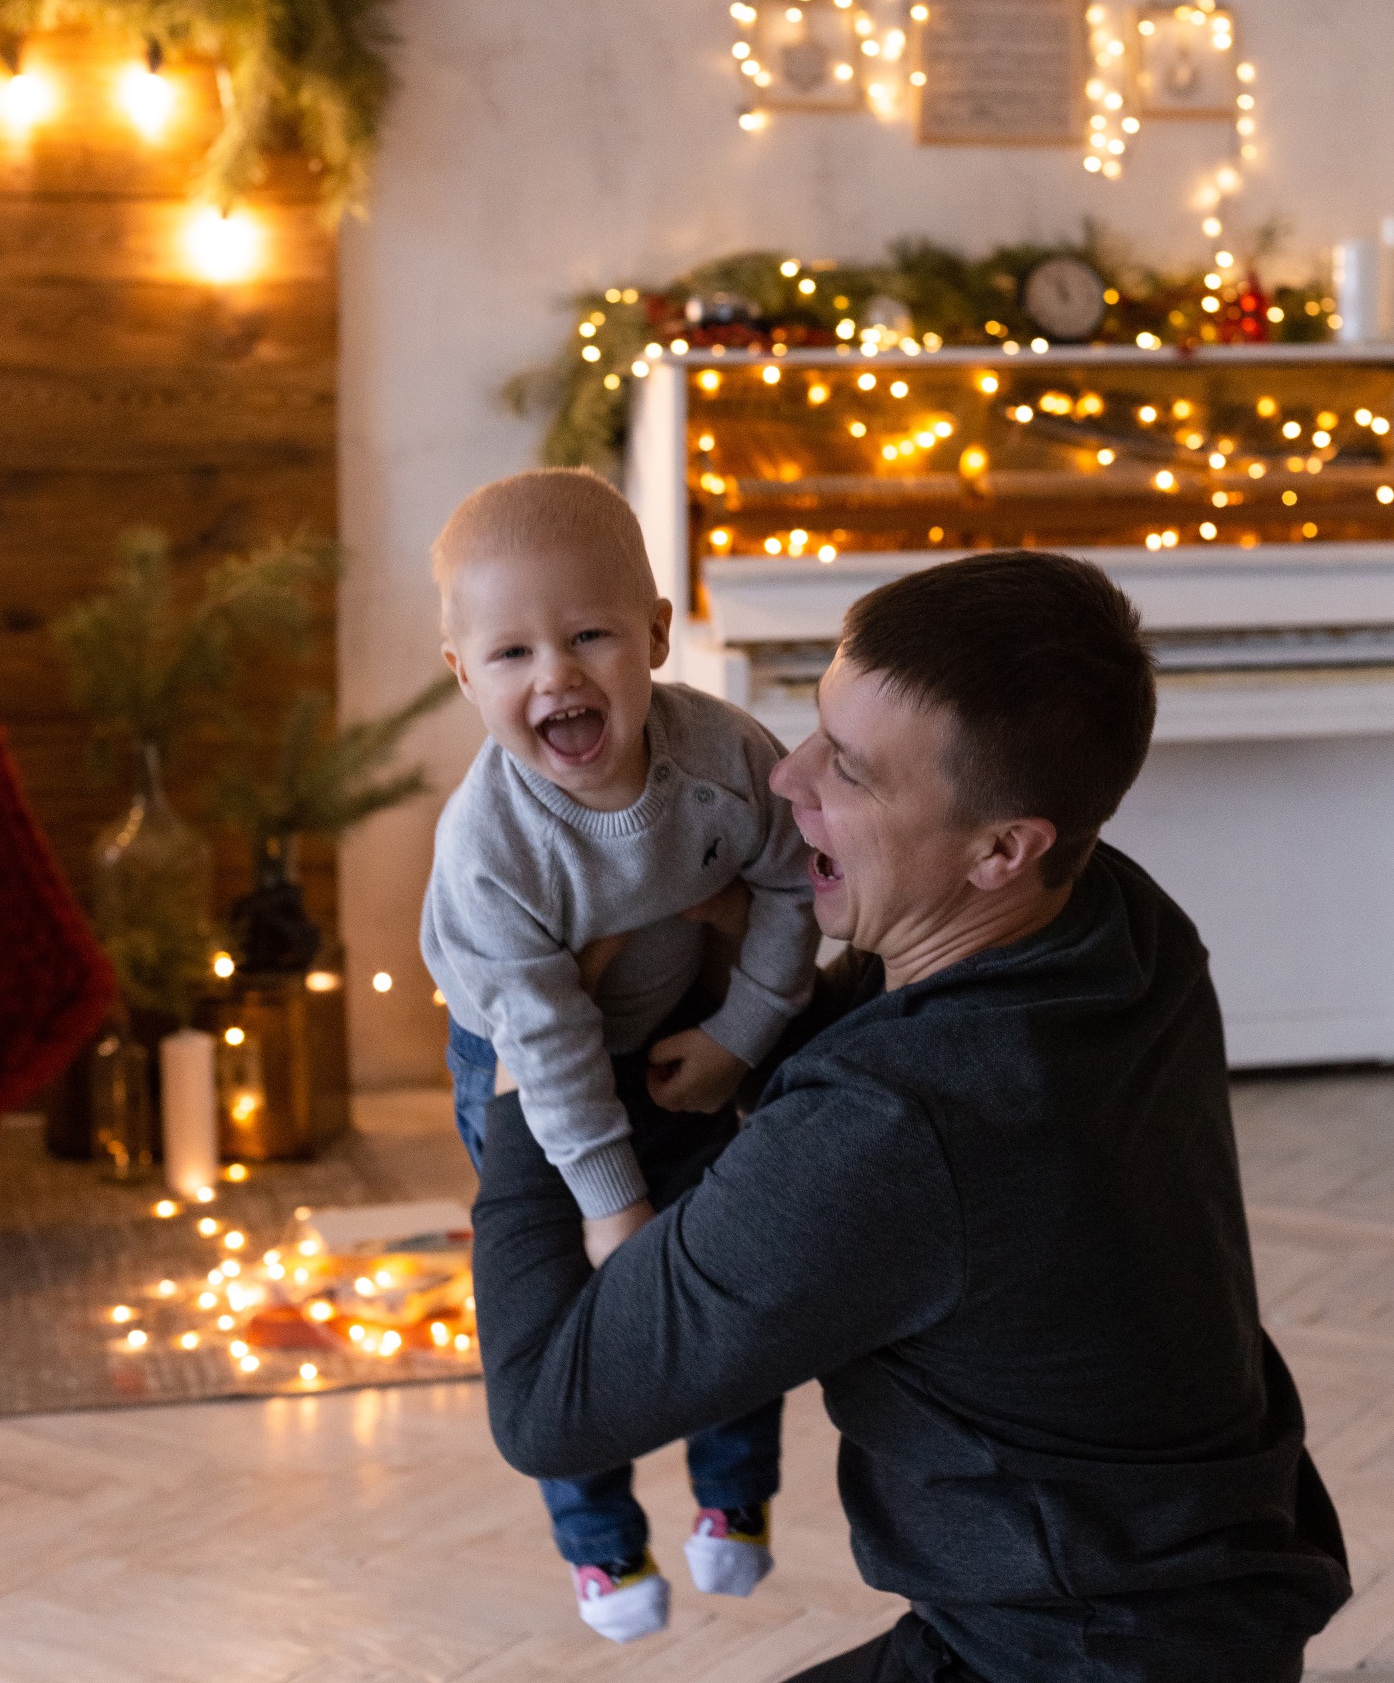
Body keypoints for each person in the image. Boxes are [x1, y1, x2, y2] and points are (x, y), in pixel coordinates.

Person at [469, 550, 1351, 1683]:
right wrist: (741, 978)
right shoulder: (1120, 916)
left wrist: (523, 1039)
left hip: (1069, 1652)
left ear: (1000, 847)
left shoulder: (891, 1130)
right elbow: (886, 1061)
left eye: (849, 769)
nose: (786, 781)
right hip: (1173, 1601)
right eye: (814, 729)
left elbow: (549, 1405)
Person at [420, 468, 818, 1644]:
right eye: (510, 654)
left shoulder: (723, 756)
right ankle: (599, 1545)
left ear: (653, 633)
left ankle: (733, 1490)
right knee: (560, 1315)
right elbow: (542, 1036)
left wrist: (738, 1033)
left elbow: (793, 884)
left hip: (680, 1038)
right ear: (463, 676)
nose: (555, 675)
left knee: (723, 1273)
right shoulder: (491, 841)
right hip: (523, 1066)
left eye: (589, 632)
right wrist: (606, 1204)